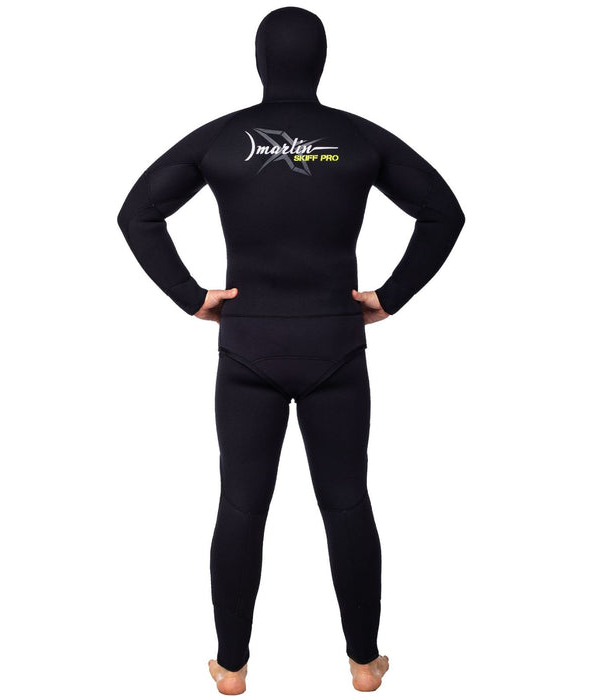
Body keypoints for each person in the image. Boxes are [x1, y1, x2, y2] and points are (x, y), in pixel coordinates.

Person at [117, 6, 465, 694]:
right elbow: (443, 212)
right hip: (335, 342)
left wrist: (192, 296)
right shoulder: (357, 138)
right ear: (321, 60)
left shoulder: (222, 139)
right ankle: (364, 664)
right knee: (347, 502)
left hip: (249, 344)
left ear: (260, 61)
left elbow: (138, 212)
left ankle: (231, 667)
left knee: (241, 506)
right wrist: (390, 296)